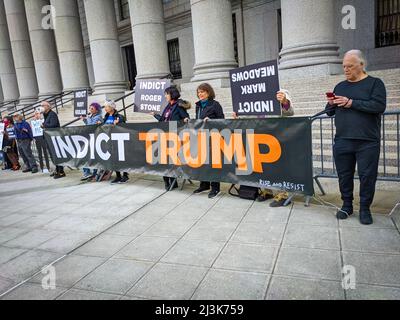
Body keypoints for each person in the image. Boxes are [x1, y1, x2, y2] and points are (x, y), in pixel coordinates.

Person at [326, 50, 387, 225]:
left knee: (367, 176)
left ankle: (365, 208)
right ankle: (347, 205)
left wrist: (351, 102)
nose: (346, 69)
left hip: (367, 141)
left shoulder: (375, 84)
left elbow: (379, 106)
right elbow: (330, 112)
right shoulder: (340, 86)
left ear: (361, 65)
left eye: (350, 66)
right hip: (343, 140)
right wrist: (331, 103)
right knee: (344, 175)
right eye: (344, 66)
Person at [233, 90, 295, 207]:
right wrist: (238, 116)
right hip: (259, 135)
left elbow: (290, 112)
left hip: (276, 136)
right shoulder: (249, 96)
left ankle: (283, 194)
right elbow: (247, 116)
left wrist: (284, 102)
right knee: (264, 165)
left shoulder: (280, 92)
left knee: (278, 165)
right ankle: (268, 191)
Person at [152, 86, 190, 191]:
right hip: (165, 135)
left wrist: (186, 119)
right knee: (163, 159)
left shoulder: (178, 105)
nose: (165, 96)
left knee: (171, 160)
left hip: (175, 137)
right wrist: (155, 115)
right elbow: (163, 120)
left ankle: (173, 180)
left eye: (166, 94)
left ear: (172, 94)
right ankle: (166, 180)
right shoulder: (168, 106)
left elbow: (185, 117)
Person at [192, 83, 225, 199]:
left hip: (213, 137)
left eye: (202, 92)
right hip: (201, 137)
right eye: (199, 92)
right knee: (202, 162)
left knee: (213, 163)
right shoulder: (198, 105)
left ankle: (215, 188)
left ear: (209, 92)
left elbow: (222, 120)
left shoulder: (215, 105)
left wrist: (211, 120)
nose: (200, 94)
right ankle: (204, 184)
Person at [103, 100, 129, 184]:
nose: (105, 108)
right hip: (110, 141)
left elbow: (125, 127)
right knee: (114, 159)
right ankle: (118, 176)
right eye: (105, 106)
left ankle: (125, 175)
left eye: (106, 106)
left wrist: (118, 123)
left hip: (119, 141)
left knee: (122, 158)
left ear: (111, 107)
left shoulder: (119, 116)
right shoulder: (106, 116)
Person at [42, 101, 66, 179]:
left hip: (54, 137)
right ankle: (57, 169)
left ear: (48, 106)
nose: (41, 107)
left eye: (43, 105)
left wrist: (44, 125)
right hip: (49, 138)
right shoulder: (45, 114)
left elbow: (53, 125)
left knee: (56, 154)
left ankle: (61, 171)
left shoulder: (52, 114)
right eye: (41, 105)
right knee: (53, 155)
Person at [80, 102, 103, 181]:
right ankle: (87, 172)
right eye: (89, 108)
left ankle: (94, 172)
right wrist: (84, 120)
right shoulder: (92, 116)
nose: (90, 109)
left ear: (96, 110)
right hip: (90, 138)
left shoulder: (98, 117)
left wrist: (88, 118)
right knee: (85, 155)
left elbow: (91, 126)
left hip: (95, 139)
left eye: (92, 108)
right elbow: (88, 124)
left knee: (93, 156)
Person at [31, 108, 50, 174]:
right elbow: (33, 130)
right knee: (39, 154)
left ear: (40, 114)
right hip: (37, 138)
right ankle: (42, 167)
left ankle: (48, 167)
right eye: (35, 114)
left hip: (43, 138)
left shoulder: (43, 120)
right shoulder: (33, 122)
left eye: (38, 114)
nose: (36, 115)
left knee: (45, 153)